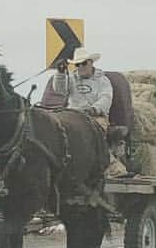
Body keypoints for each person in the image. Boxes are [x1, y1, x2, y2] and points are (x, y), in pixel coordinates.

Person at [51, 48, 127, 177]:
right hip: (72, 115)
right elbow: (60, 90)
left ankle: (111, 164)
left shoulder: (102, 80)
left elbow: (106, 98)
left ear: (91, 63)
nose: (81, 67)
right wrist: (60, 72)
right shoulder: (71, 78)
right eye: (77, 64)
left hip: (96, 117)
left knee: (96, 132)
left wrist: (95, 109)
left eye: (84, 63)